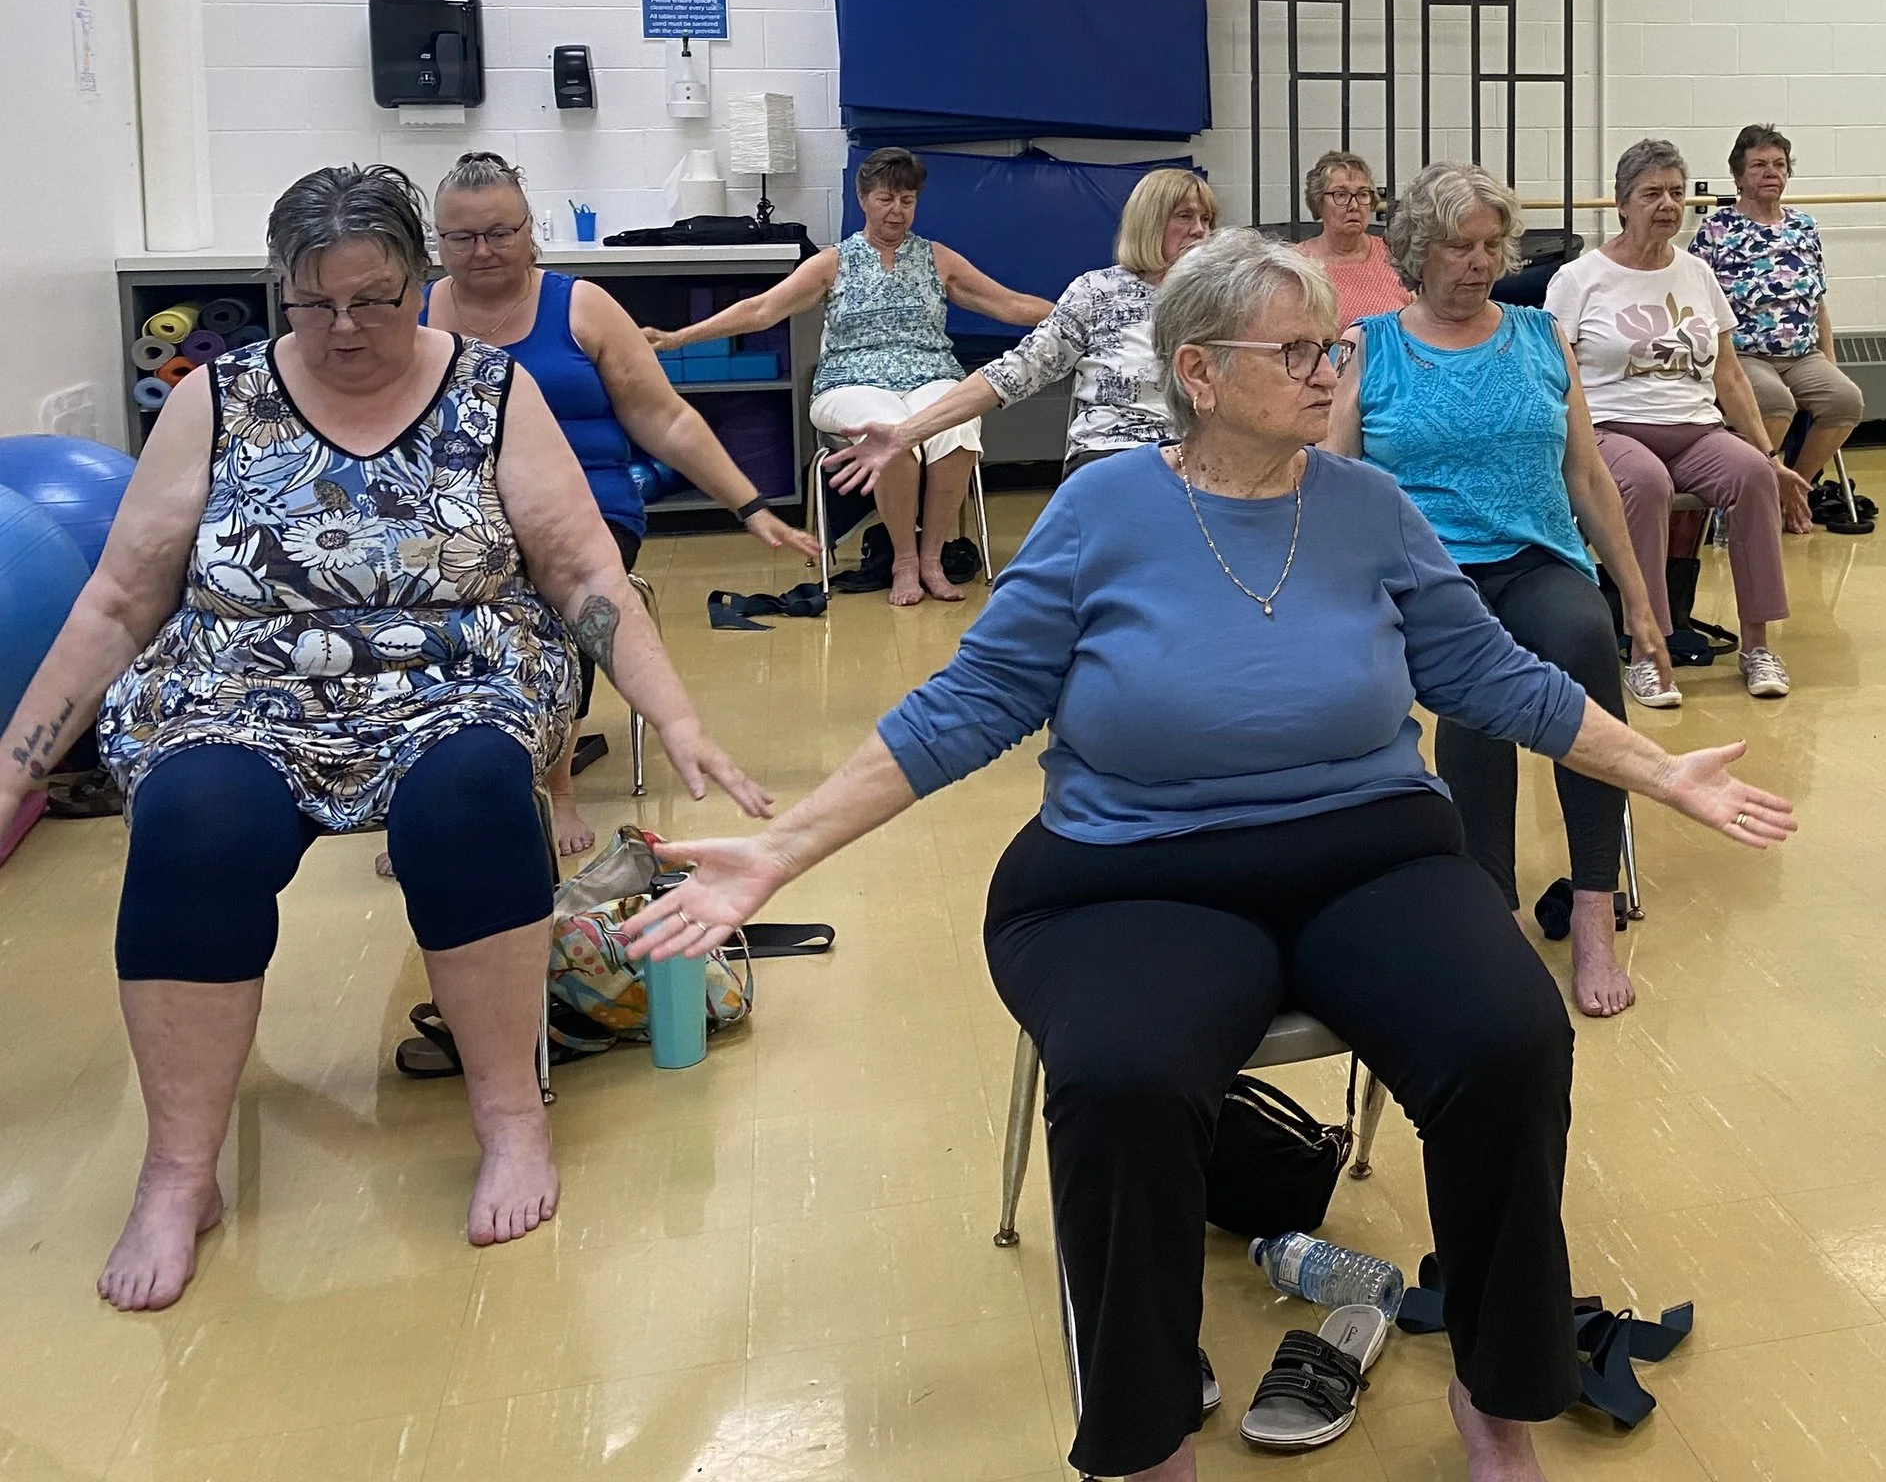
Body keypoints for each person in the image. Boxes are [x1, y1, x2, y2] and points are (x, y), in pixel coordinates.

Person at [619, 229, 1795, 1482]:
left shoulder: (1368, 507)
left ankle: (1498, 1396)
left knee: (1510, 1038)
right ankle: (1147, 1433)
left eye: (1332, 347)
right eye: (1295, 350)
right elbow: (966, 703)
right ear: (1197, 369)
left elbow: (1491, 674)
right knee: (1124, 1080)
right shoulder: (1104, 508)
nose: (1328, 371)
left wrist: (1655, 770)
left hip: (1370, 855)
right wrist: (777, 853)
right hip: (1134, 868)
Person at [0, 167, 769, 1312]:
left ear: (421, 278)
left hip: (457, 679)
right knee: (192, 818)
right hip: (244, 688)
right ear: (279, 293)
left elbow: (582, 569)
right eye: (314, 303)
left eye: (376, 296)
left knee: (470, 796)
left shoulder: (491, 389)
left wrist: (677, 715)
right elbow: (119, 598)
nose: (348, 327)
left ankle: (510, 1117)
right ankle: (176, 1170)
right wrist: (13, 769)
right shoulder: (222, 394)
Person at [1327, 164, 1674, 1019]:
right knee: (1477, 692)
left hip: (1538, 556)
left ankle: (1594, 905)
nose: (1481, 262)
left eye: (1492, 245)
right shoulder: (1372, 346)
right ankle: (1495, 909)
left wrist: (1637, 598)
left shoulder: (1540, 335)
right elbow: (1336, 482)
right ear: (1416, 251)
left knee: (1583, 642)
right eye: (1460, 246)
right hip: (1429, 574)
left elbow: (1587, 476)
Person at [424, 151, 818, 854]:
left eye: (500, 232)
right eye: (462, 238)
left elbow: (664, 419)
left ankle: (556, 787)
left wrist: (751, 506)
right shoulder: (415, 316)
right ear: (439, 241)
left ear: (529, 231)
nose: (482, 251)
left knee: (546, 600)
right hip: (461, 512)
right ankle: (427, 790)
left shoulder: (581, 306)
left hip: (586, 508)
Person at [647, 147, 1050, 606]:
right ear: (862, 199)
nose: (896, 211)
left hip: (931, 374)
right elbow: (761, 310)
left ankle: (932, 559)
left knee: (957, 425)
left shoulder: (939, 259)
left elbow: (1010, 305)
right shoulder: (833, 262)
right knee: (888, 433)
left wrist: (1083, 316)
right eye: (885, 199)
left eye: (907, 200)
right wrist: (678, 338)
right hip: (851, 381)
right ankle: (903, 560)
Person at [1557, 140, 1814, 704]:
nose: (1667, 204)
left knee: (1750, 475)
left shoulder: (1696, 272)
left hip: (1695, 428)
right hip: (1610, 429)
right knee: (1646, 485)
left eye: (1676, 192)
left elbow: (1729, 375)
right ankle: (1648, 648)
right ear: (1622, 204)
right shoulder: (1580, 279)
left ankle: (1757, 645)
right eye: (1652, 193)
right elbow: (1560, 379)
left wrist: (1771, 455)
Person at [827, 169, 1217, 493]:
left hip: (1206, 455)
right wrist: (904, 435)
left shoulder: (1224, 299)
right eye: (1184, 217)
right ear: (1149, 223)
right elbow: (1013, 373)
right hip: (1117, 454)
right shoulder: (1099, 293)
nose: (1199, 230)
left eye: (1206, 219)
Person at [1687, 123, 1865, 527]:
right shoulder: (1717, 229)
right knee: (1777, 403)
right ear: (1738, 176)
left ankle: (1793, 492)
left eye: (1779, 164)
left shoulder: (1804, 226)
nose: (1771, 172)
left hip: (1802, 354)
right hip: (1741, 354)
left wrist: (1829, 358)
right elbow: (1695, 301)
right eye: (1759, 165)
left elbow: (1817, 300)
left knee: (1846, 400)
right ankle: (1753, 500)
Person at [1296, 149, 1407, 321]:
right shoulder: (1297, 264)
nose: (1354, 205)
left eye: (1363, 194)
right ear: (1318, 202)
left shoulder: (1395, 256)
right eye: (1341, 195)